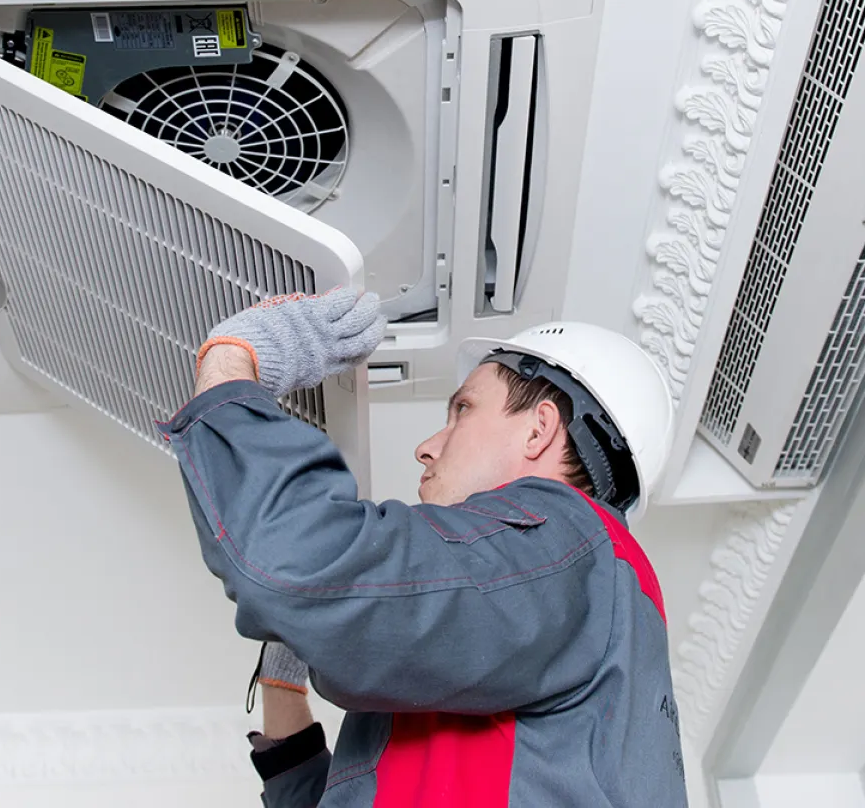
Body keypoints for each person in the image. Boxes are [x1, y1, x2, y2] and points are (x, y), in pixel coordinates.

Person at [159, 287, 686, 806]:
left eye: (463, 409)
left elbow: (290, 557)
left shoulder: (570, 540)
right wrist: (283, 683)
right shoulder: (557, 612)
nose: (426, 447)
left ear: (538, 431)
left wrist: (232, 361)